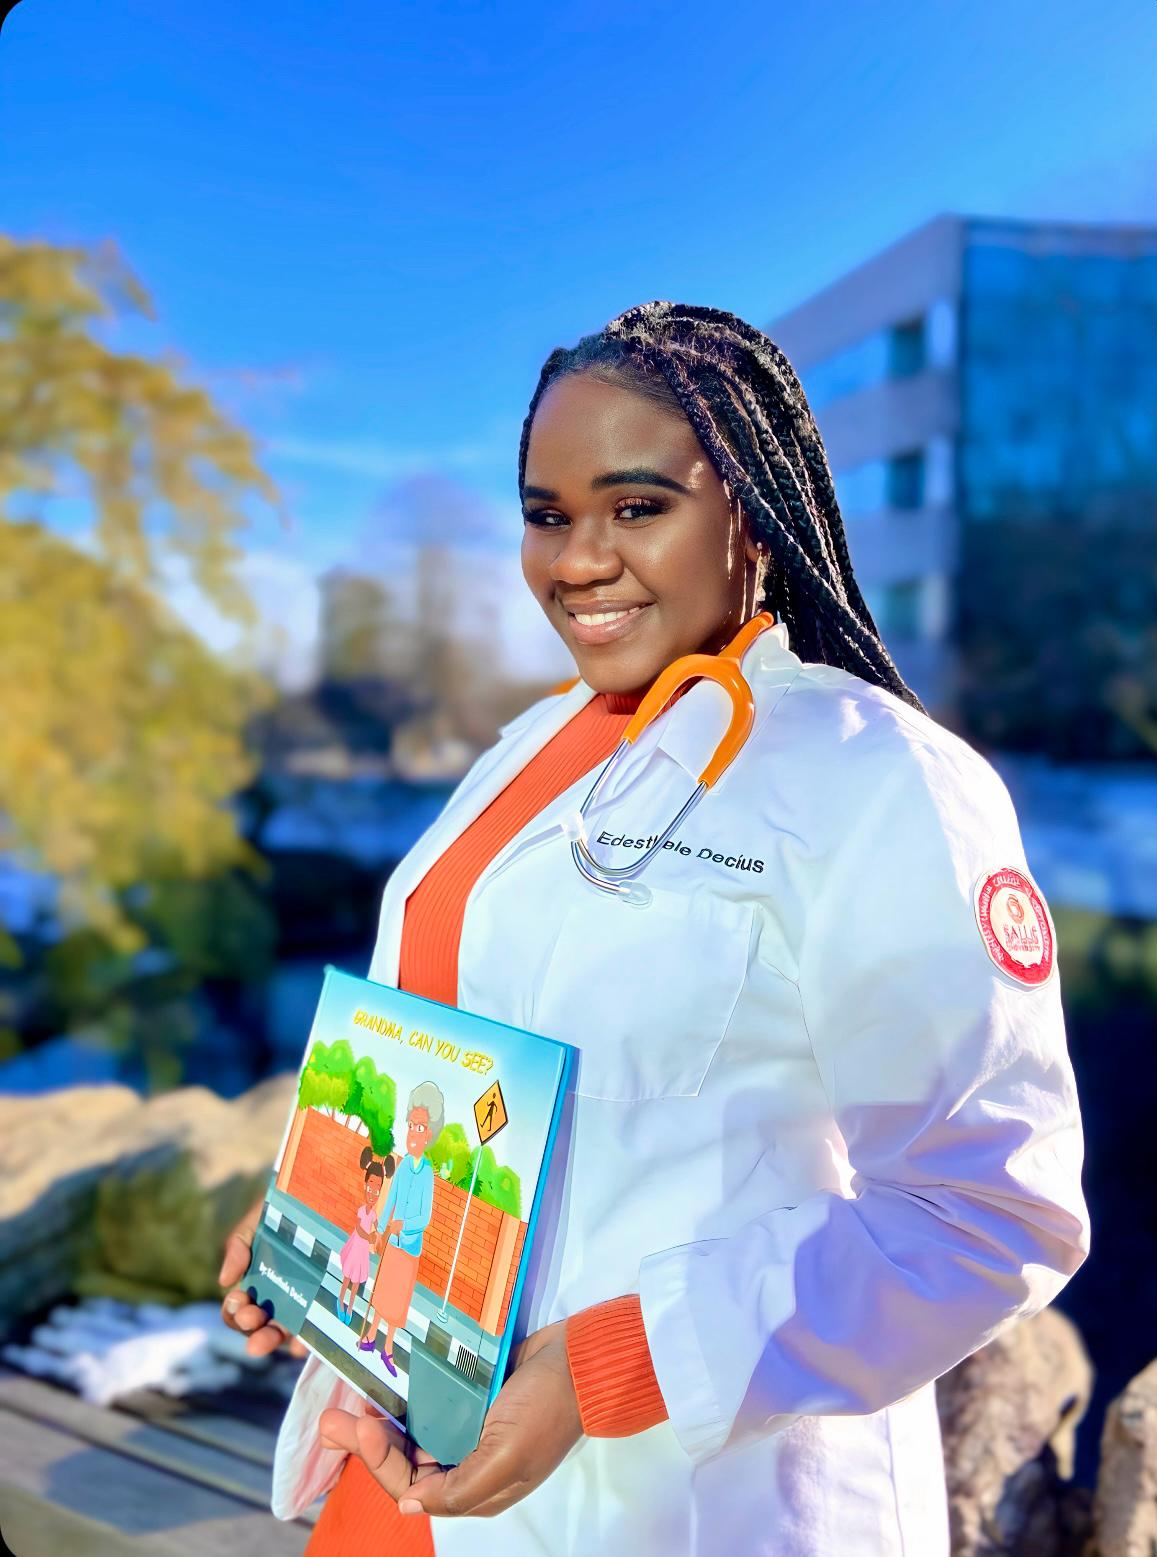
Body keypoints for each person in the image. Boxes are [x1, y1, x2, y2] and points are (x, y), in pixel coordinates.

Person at [220, 302, 1089, 1556]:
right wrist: (325, 1214)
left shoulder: (877, 779)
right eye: (548, 514)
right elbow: (459, 1051)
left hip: (670, 1504)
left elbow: (988, 1215)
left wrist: (605, 1370)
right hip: (405, 1470)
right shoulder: (532, 745)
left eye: (637, 507)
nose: (579, 560)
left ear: (753, 511)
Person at [357, 1085, 443, 1375]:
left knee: (397, 1299)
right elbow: (391, 1199)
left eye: (420, 1127)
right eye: (411, 1125)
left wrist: (402, 1227)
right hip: (391, 1244)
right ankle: (371, 1335)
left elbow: (425, 1217)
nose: (413, 1133)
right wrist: (380, 1231)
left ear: (429, 1134)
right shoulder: (404, 1166)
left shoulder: (427, 1173)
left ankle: (388, 1348)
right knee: (382, 1290)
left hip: (408, 1247)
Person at [337, 1147, 390, 1323]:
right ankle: (340, 1299)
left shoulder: (373, 1213)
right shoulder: (362, 1210)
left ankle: (350, 1306)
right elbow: (359, 1229)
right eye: (370, 1187)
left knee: (356, 1282)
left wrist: (379, 1236)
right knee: (347, 1277)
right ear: (365, 1184)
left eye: (377, 1190)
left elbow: (377, 1227)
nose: (373, 1193)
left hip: (363, 1251)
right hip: (356, 1246)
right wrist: (370, 1238)